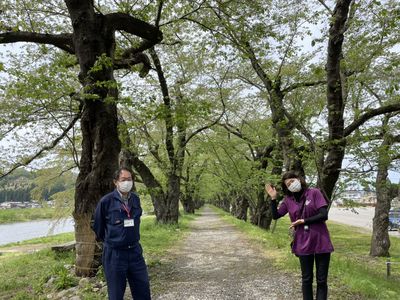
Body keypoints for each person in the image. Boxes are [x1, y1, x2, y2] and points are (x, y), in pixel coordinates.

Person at [265, 170, 334, 300]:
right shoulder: (288, 200)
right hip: (303, 242)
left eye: (292, 180)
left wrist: (304, 221)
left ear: (299, 179)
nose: (291, 184)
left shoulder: (314, 193)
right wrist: (273, 198)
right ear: (286, 187)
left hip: (321, 240)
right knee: (306, 279)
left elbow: (324, 215)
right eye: (288, 183)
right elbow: (276, 216)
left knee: (321, 280)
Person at [93, 167, 150, 300]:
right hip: (115, 254)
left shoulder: (135, 199)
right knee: (116, 294)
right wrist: (113, 240)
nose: (127, 182)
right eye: (123, 179)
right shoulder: (106, 201)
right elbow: (98, 227)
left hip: (135, 252)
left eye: (129, 179)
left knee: (143, 290)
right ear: (115, 182)